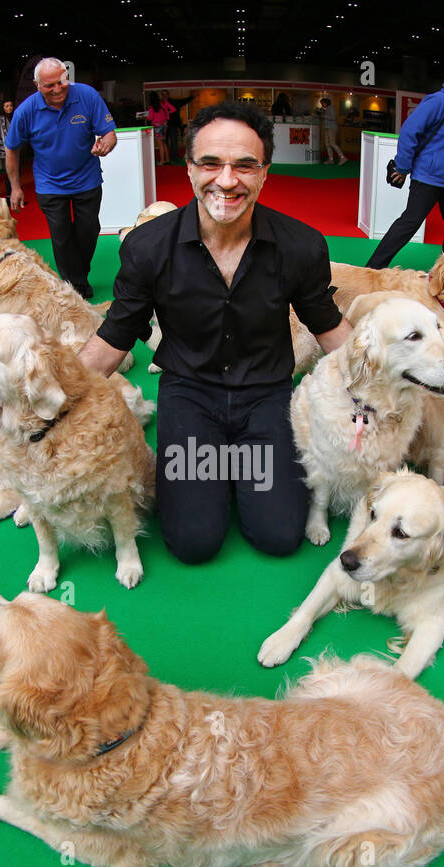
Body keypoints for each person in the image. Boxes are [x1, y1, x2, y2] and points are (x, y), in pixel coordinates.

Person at [80, 102, 353, 564]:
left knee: (279, 535)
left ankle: (229, 470)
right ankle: (217, 472)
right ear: (189, 169)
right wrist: (55, 399)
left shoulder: (301, 245)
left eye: (244, 165)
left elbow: (327, 325)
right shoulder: (148, 248)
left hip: (264, 395)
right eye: (211, 163)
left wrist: (381, 379)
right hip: (190, 396)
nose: (227, 181)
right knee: (193, 542)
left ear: (264, 172)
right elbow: (116, 335)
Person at [5, 57, 117, 301]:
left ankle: (78, 276)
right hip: (50, 184)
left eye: (61, 82)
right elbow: (12, 149)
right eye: (49, 86)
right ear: (37, 85)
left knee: (89, 230)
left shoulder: (86, 96)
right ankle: (74, 286)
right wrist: (15, 187)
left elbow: (109, 134)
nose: (57, 89)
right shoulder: (26, 111)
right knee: (61, 235)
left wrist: (106, 144)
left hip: (87, 179)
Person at [365, 60, 444, 268]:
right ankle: (372, 268)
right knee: (409, 223)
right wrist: (403, 166)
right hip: (429, 177)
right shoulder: (438, 102)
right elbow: (409, 132)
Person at [146, 91, 176, 166]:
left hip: (156, 126)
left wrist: (145, 117)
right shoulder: (163, 103)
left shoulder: (152, 106)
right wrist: (167, 114)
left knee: (160, 144)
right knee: (164, 142)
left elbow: (150, 117)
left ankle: (162, 161)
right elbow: (173, 109)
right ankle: (167, 159)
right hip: (164, 125)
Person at [318, 97, 345, 165]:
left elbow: (333, 118)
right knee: (327, 144)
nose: (322, 104)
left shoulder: (331, 108)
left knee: (332, 143)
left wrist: (324, 116)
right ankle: (331, 159)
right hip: (327, 127)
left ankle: (342, 157)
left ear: (326, 103)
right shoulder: (326, 109)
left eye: (322, 103)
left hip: (332, 128)